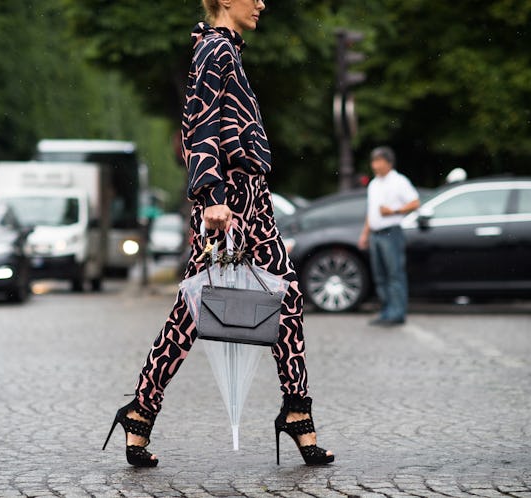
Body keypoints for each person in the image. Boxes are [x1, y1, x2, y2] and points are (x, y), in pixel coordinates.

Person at [102, 0, 334, 468]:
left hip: (244, 197)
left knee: (250, 302)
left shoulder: (223, 49)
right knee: (213, 306)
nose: (262, 3)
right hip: (233, 201)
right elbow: (202, 126)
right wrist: (211, 198)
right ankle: (145, 412)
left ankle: (146, 413)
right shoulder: (216, 51)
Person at [358, 146, 420, 327]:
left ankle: (397, 313)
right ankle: (386, 311)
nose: (374, 165)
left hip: (391, 233)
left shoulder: (399, 181)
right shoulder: (374, 184)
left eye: (378, 161)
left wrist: (394, 211)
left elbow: (415, 202)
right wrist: (365, 233)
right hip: (376, 234)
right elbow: (371, 212)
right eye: (373, 161)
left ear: (389, 163)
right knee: (380, 276)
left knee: (395, 274)